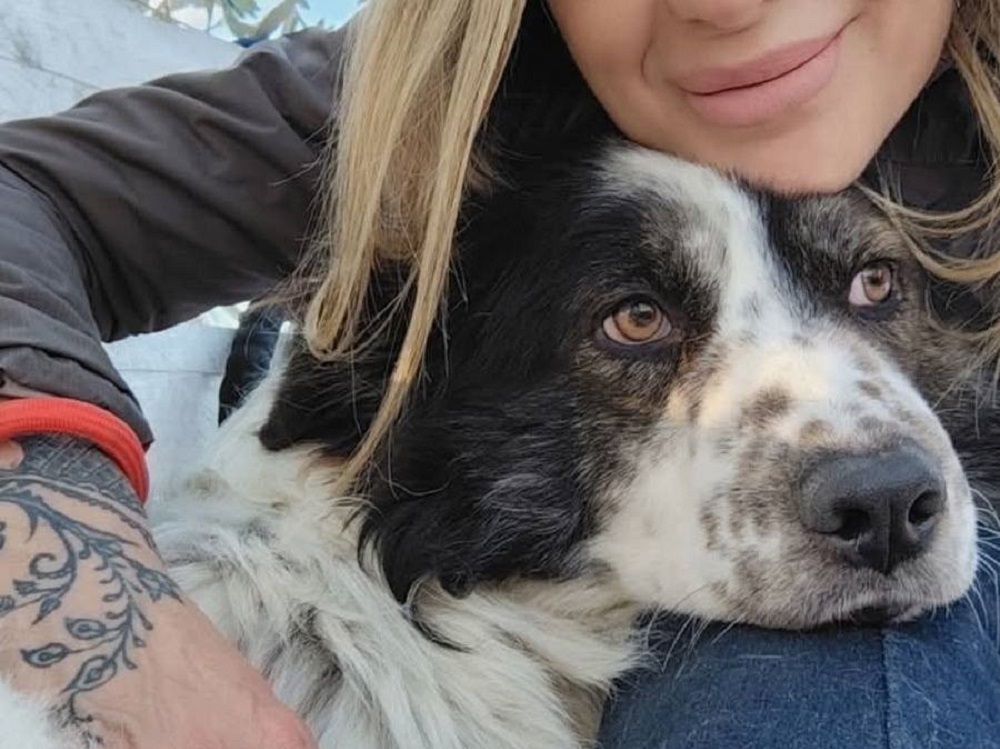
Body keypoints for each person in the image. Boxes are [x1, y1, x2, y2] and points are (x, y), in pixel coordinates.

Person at [0, 0, 998, 746]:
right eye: (638, 318)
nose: (726, 6)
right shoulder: (446, 102)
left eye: (871, 281)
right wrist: (99, 612)